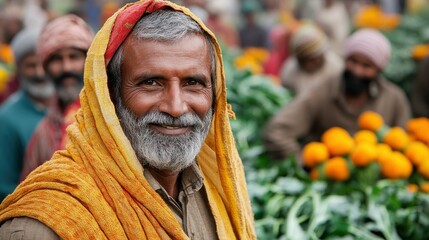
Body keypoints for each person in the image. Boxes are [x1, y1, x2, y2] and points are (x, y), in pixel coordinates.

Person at [0, 1, 256, 239]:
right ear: (109, 94)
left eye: (193, 83)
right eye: (151, 83)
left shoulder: (221, 191)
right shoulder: (42, 226)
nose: (176, 107)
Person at [263, 28, 411, 161]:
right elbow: (277, 130)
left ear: (379, 69)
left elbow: (405, 146)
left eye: (366, 66)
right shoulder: (322, 92)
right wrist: (304, 164)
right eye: (353, 61)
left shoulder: (394, 99)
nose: (357, 71)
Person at [20, 14, 94, 180]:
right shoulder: (42, 133)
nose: (66, 67)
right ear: (46, 67)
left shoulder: (113, 117)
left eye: (74, 57)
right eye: (57, 59)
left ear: (88, 61)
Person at [0, 28, 54, 200]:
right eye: (31, 66)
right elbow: (5, 187)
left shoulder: (69, 109)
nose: (39, 73)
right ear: (19, 70)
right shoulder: (7, 119)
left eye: (43, 65)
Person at [280, 24, 343, 95]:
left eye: (316, 57)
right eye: (308, 59)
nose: (313, 62)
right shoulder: (289, 72)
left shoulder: (336, 68)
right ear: (299, 59)